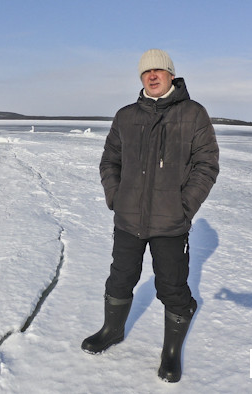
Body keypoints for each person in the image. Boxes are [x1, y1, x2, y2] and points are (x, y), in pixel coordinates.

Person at [82, 49, 219, 383]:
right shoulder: (126, 116)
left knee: (172, 287)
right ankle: (112, 331)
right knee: (120, 278)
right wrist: (116, 197)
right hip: (128, 219)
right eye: (146, 72)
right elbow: (109, 162)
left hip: (170, 224)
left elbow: (206, 165)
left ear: (171, 75)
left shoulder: (193, 114)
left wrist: (183, 207)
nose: (152, 76)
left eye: (159, 70)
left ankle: (170, 353)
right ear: (141, 78)